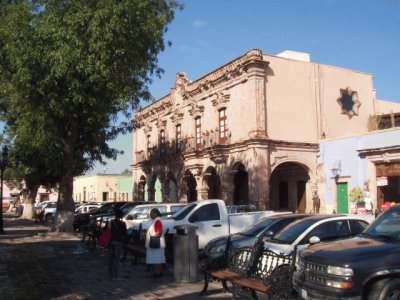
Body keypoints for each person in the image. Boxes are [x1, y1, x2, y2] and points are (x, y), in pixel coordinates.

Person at [145, 208, 165, 280]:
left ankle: (158, 273)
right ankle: (158, 272)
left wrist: (152, 237)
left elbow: (158, 232)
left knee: (157, 259)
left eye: (151, 213)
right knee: (158, 258)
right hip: (157, 243)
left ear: (155, 214)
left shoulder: (157, 221)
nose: (150, 214)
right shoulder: (156, 220)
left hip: (156, 243)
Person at [108, 208, 128, 280]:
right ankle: (115, 275)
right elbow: (125, 234)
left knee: (111, 258)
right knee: (117, 259)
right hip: (119, 242)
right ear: (121, 216)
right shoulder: (123, 224)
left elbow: (108, 230)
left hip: (111, 241)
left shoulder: (111, 222)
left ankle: (110, 273)